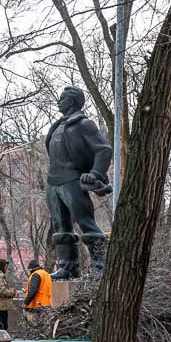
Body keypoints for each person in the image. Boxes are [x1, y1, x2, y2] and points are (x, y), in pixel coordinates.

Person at [46, 86, 113, 278]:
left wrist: (95, 173)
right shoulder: (57, 126)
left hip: (72, 179)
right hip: (53, 182)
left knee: (86, 222)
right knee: (60, 227)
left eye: (62, 99)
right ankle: (68, 267)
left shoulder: (84, 124)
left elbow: (104, 150)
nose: (59, 102)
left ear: (72, 101)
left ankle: (101, 265)